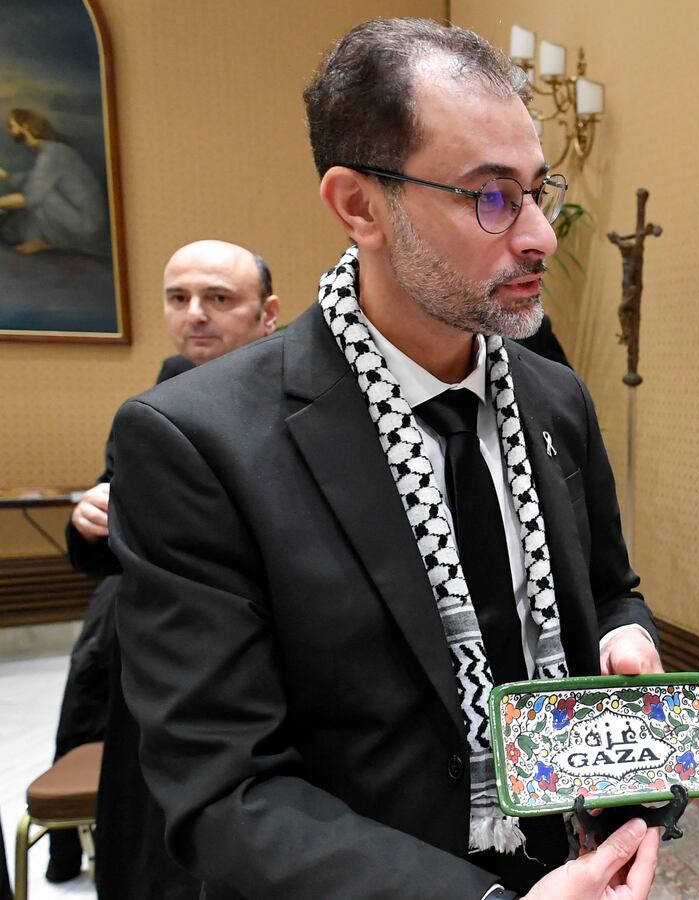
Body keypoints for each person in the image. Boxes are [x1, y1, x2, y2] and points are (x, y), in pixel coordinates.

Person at [108, 18, 662, 899]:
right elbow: (225, 791)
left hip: (567, 857)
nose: (539, 238)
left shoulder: (556, 398)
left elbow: (607, 588)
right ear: (359, 206)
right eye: (490, 196)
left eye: (537, 191)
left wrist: (625, 635)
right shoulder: (197, 442)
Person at [51, 239, 278, 889]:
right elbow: (112, 511)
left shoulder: (303, 396)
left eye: (218, 298)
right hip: (157, 648)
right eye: (179, 298)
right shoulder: (154, 402)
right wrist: (91, 517)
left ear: (267, 313)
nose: (195, 314)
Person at [0, 107, 110, 256]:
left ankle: (46, 242)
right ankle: (41, 241)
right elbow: (33, 179)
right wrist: (6, 176)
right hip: (82, 219)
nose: (8, 130)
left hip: (86, 225)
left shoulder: (52, 154)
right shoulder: (52, 151)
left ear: (24, 126)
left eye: (10, 125)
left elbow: (29, 198)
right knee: (10, 229)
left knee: (36, 199)